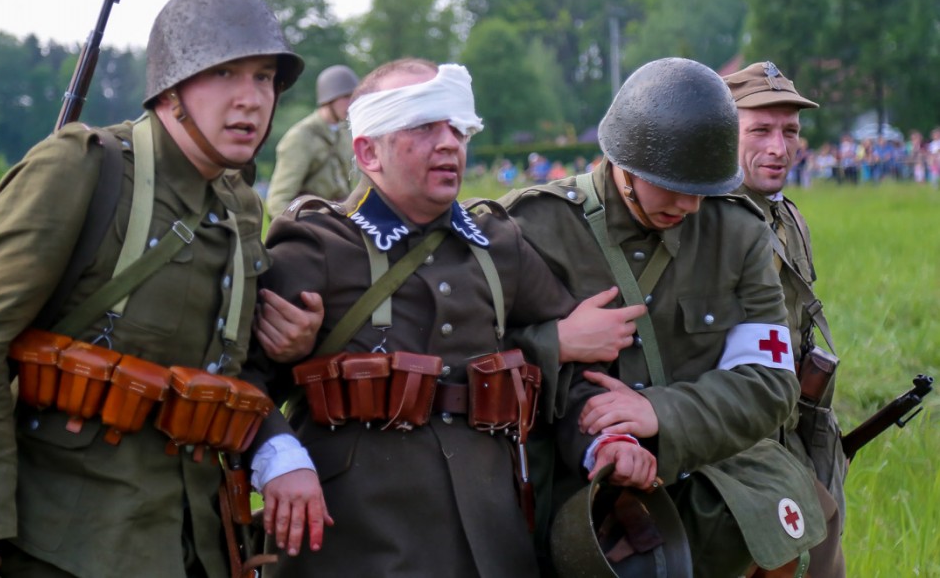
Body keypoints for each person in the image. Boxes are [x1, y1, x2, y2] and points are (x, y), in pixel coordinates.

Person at [0, 0, 328, 578]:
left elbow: (221, 368)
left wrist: (287, 350)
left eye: (264, 77)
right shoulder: (83, 168)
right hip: (58, 544)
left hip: (195, 542)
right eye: (224, 74)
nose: (251, 99)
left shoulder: (239, 208)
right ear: (172, 89)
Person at [253, 58, 648, 577]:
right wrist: (280, 460)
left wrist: (606, 440)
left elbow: (573, 373)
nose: (449, 144)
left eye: (458, 129)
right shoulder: (316, 247)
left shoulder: (499, 245)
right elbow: (241, 375)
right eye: (423, 127)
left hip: (490, 539)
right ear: (368, 151)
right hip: (354, 541)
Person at [500, 57, 825, 576]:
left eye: (702, 189)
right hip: (566, 496)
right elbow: (470, 354)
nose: (690, 206)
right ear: (624, 162)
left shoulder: (738, 234)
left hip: (706, 491)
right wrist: (554, 342)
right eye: (672, 185)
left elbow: (769, 381)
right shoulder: (533, 226)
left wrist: (661, 413)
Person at [724, 60, 847, 577]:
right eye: (760, 130)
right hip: (730, 437)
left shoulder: (789, 216)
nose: (779, 147)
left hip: (790, 425)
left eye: (790, 131)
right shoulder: (705, 218)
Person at [265, 65, 359, 218]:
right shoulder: (301, 137)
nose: (351, 104)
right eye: (346, 97)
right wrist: (298, 229)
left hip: (340, 217)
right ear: (329, 98)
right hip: (312, 220)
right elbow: (278, 201)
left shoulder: (344, 133)